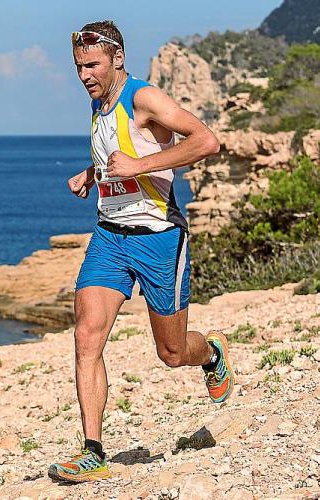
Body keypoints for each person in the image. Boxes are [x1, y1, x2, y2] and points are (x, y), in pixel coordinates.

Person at [47, 20, 234, 484]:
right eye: (78, 67)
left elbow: (206, 141)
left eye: (92, 65)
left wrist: (138, 166)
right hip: (109, 237)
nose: (84, 75)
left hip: (158, 238)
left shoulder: (143, 98)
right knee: (86, 337)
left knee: (171, 351)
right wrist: (92, 173)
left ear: (118, 59)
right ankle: (93, 451)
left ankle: (210, 353)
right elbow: (116, 154)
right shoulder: (98, 103)